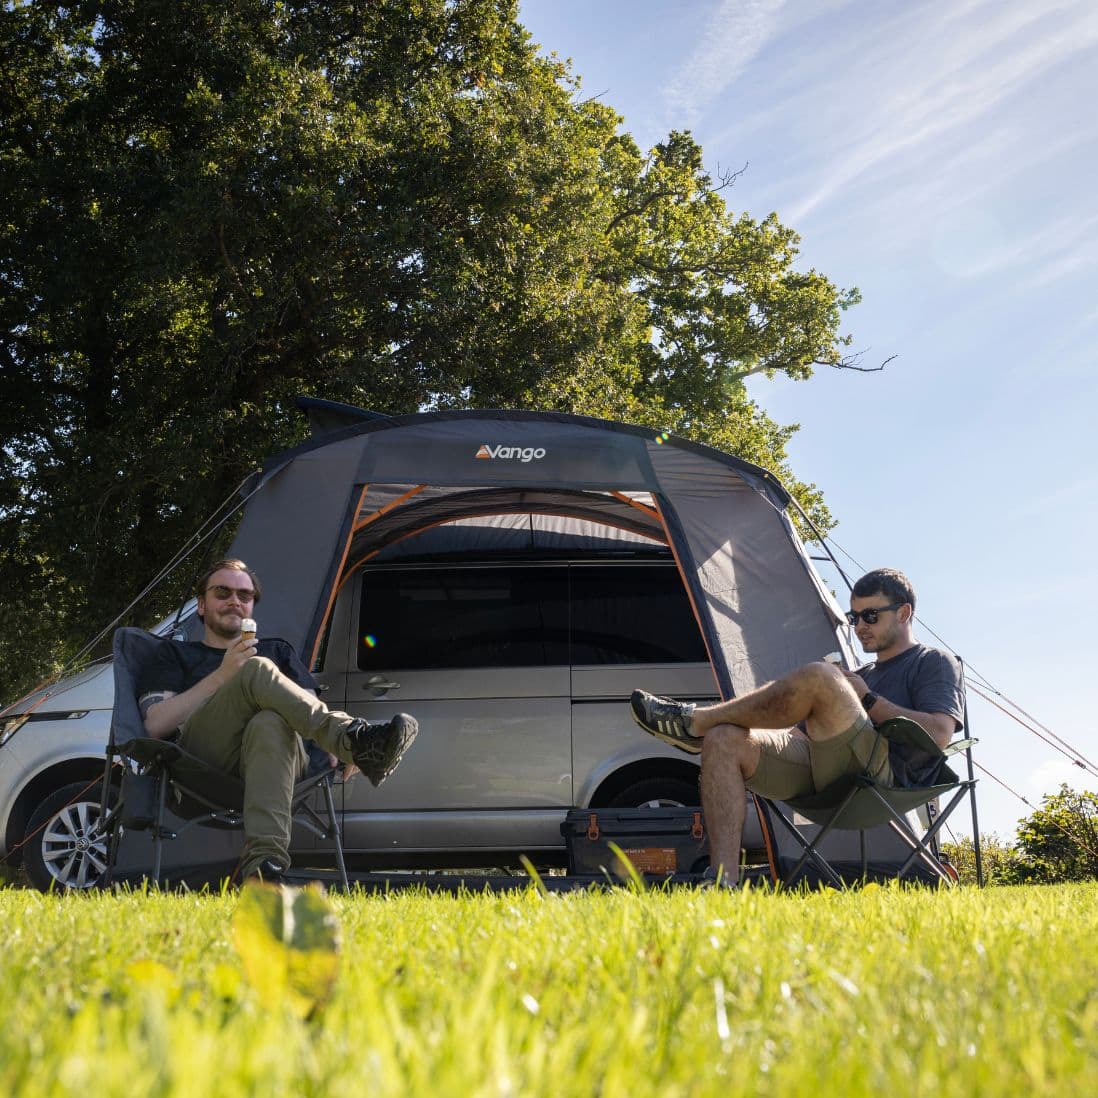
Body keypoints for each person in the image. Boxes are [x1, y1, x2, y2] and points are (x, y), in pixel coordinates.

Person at [629, 568, 963, 886]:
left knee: (820, 675)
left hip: (884, 775)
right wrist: (754, 736)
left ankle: (696, 721)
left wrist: (868, 698)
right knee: (723, 739)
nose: (860, 625)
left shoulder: (931, 661)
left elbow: (939, 734)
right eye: (854, 617)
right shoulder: (862, 674)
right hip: (826, 770)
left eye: (870, 616)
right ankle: (723, 881)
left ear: (904, 613)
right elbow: (798, 735)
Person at [137, 558, 419, 882]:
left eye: (244, 595)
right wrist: (223, 676)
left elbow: (308, 709)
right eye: (222, 592)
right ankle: (354, 741)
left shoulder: (278, 651)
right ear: (201, 605)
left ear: (252, 608)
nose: (235, 600)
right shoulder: (172, 655)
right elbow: (154, 724)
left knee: (270, 721)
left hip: (279, 765)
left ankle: (263, 869)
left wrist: (329, 754)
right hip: (200, 766)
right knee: (256, 668)